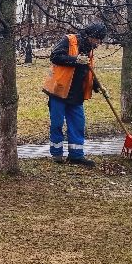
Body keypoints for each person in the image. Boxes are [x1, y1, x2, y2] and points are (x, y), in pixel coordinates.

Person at [42, 22, 107, 167]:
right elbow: (55, 56)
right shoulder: (69, 40)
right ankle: (57, 154)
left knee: (78, 124)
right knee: (57, 123)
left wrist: (98, 86)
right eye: (98, 39)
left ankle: (76, 156)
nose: (99, 43)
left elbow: (88, 71)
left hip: (76, 93)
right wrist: (75, 60)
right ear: (91, 36)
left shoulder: (89, 49)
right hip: (59, 91)